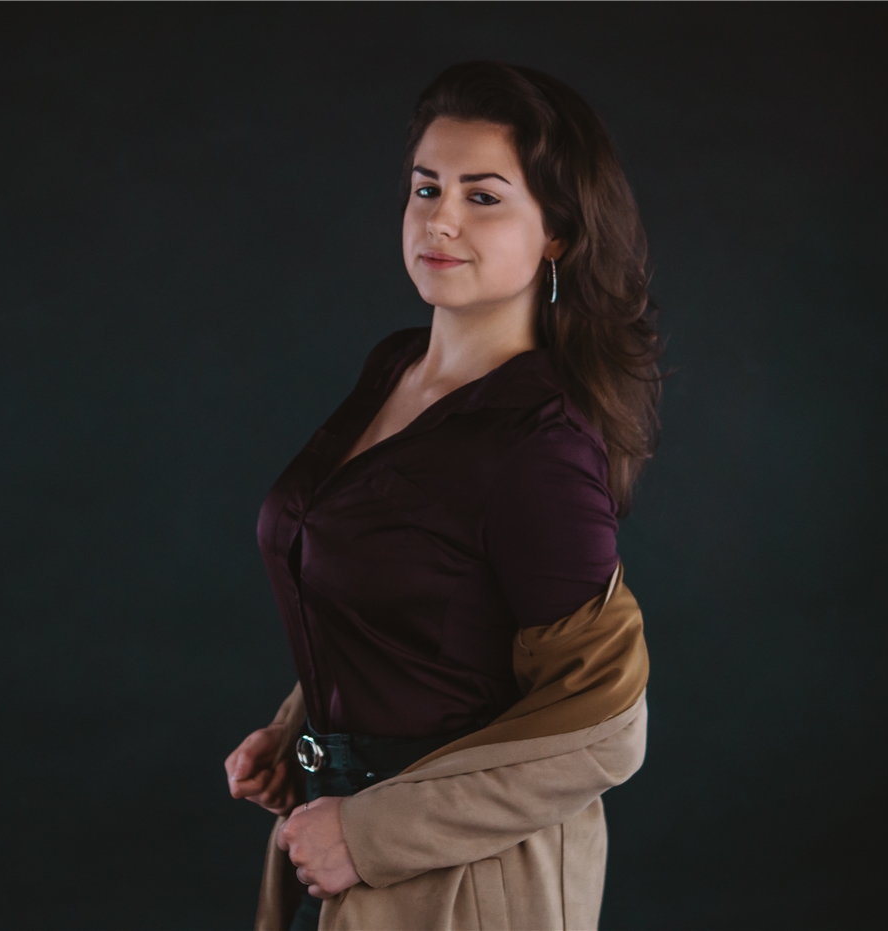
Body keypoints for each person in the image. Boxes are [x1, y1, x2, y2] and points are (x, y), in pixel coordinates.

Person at [225, 60, 662, 931]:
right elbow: (414, 609)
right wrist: (306, 730)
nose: (441, 219)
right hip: (337, 844)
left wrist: (369, 832)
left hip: (463, 889)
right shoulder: (396, 368)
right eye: (427, 188)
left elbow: (609, 723)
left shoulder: (539, 443)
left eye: (483, 196)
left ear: (557, 234)